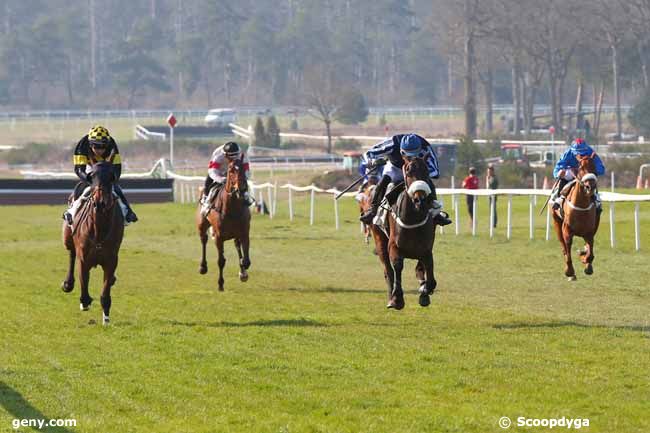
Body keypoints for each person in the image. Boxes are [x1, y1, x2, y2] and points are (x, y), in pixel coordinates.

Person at [359, 133, 452, 226]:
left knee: (428, 183)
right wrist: (373, 161)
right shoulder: (392, 143)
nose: (411, 159)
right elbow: (368, 154)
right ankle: (373, 210)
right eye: (409, 157)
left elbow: (435, 171)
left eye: (416, 155)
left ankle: (435, 213)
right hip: (395, 168)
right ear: (402, 152)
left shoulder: (425, 146)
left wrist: (421, 173)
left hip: (416, 170)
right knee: (382, 183)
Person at [63, 125, 138, 226]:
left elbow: (117, 169)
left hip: (106, 167)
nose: (100, 150)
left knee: (116, 188)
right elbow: (79, 169)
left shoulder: (112, 145)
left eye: (103, 147)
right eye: (96, 146)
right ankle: (70, 212)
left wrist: (111, 179)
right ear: (90, 144)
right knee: (81, 188)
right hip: (90, 167)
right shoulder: (82, 146)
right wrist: (88, 179)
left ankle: (128, 212)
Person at [200, 141, 253, 216]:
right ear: (225, 154)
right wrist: (221, 179)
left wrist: (244, 178)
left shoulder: (241, 154)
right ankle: (206, 200)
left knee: (242, 182)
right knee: (208, 183)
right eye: (231, 156)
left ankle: (246, 197)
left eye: (235, 156)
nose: (233, 158)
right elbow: (212, 172)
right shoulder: (218, 155)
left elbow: (246, 170)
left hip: (234, 171)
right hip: (219, 171)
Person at [551, 138, 605, 211]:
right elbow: (557, 168)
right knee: (566, 174)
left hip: (585, 174)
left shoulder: (590, 152)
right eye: (579, 154)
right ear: (573, 151)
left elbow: (601, 168)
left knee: (591, 177)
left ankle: (596, 199)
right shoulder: (568, 153)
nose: (581, 156)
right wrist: (559, 173)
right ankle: (559, 197)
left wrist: (591, 170)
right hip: (571, 173)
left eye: (583, 153)